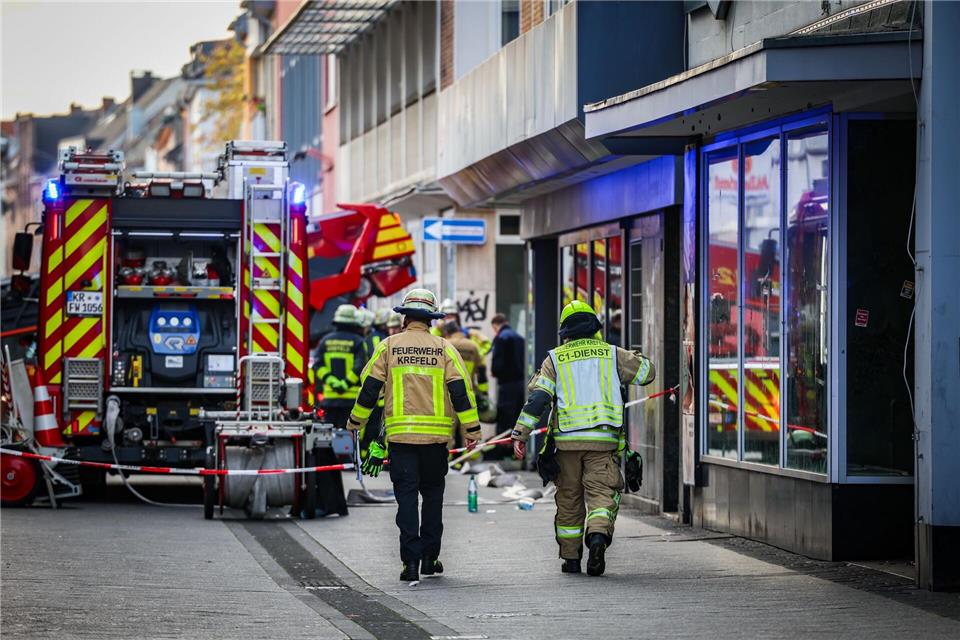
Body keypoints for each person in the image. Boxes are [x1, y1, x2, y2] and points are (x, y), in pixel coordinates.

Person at [511, 300, 654, 577]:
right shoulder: (612, 354)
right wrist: (636, 357)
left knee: (569, 499)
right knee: (601, 495)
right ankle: (598, 537)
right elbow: (648, 373)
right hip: (603, 443)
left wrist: (520, 434)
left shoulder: (555, 359)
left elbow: (538, 398)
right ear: (595, 327)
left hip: (567, 445)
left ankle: (571, 558)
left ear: (565, 332)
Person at [348, 288, 482, 582]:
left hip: (400, 440)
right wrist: (472, 430)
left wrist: (356, 422)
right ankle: (430, 558)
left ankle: (410, 563)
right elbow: (461, 392)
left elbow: (370, 388)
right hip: (435, 442)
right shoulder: (445, 348)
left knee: (406, 499)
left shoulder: (388, 346)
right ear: (431, 319)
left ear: (405, 317)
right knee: (433, 498)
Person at [315, 304, 368, 429]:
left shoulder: (325, 341)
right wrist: (345, 384)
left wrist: (333, 383)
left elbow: (318, 365)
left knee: (327, 436)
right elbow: (360, 366)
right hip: (351, 400)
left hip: (329, 399)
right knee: (349, 436)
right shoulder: (358, 342)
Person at [441, 321, 491, 444]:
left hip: (447, 395)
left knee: (448, 433)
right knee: (469, 432)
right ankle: (468, 459)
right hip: (469, 395)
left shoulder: (445, 345)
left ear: (447, 333)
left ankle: (450, 461)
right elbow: (482, 371)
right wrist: (483, 393)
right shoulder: (474, 346)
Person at [490, 312, 526, 456]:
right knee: (517, 418)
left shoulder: (501, 338)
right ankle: (516, 451)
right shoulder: (519, 338)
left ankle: (502, 451)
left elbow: (497, 364)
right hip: (520, 383)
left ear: (496, 325)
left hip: (506, 384)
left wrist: (495, 371)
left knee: (504, 418)